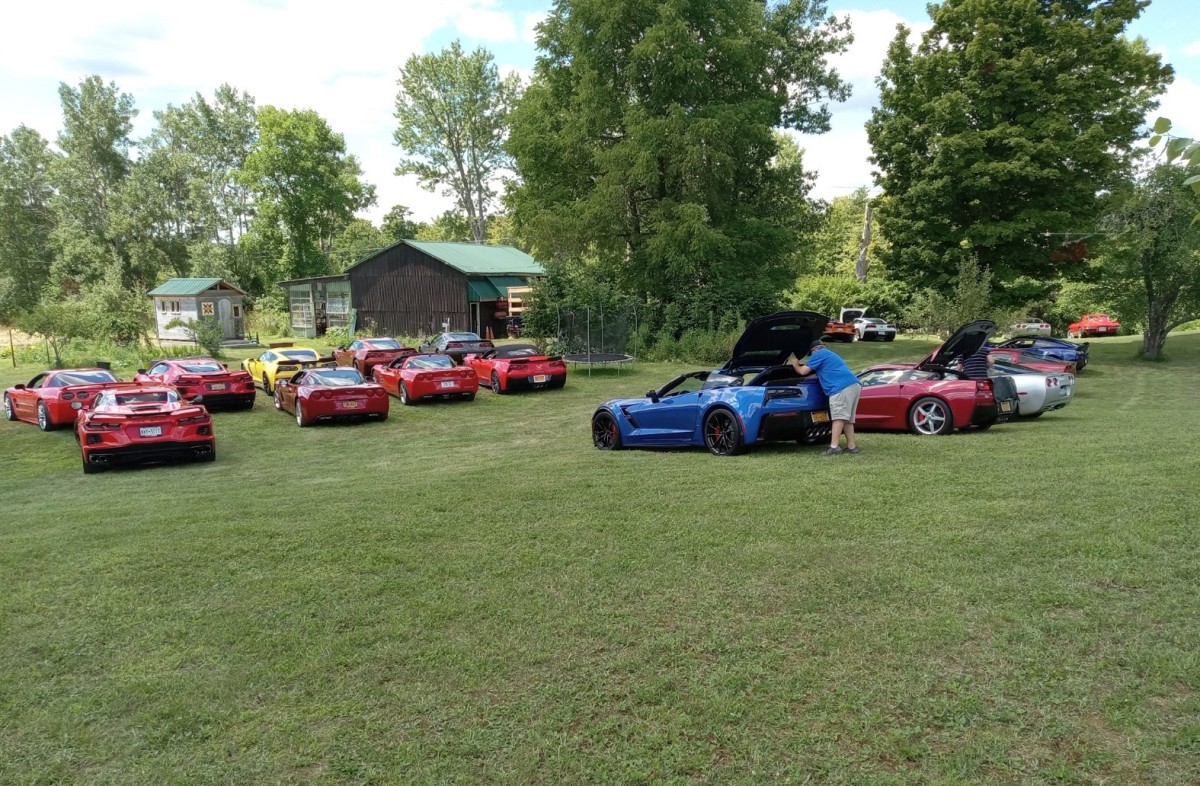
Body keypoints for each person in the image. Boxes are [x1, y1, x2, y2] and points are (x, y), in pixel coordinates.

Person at [791, 339, 862, 456]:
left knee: (838, 418)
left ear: (814, 350)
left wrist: (795, 364)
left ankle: (834, 447)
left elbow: (803, 371)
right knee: (847, 419)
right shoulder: (829, 354)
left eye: (811, 354)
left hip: (841, 387)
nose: (811, 356)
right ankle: (851, 447)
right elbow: (819, 373)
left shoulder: (818, 354)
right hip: (854, 385)